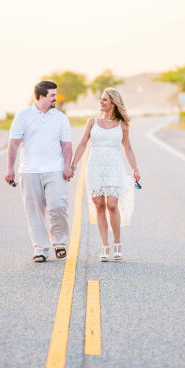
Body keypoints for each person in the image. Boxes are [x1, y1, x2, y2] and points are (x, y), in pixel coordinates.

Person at [6, 81, 74, 263]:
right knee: (34, 212)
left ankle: (59, 242)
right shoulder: (23, 116)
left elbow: (67, 145)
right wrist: (9, 168)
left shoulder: (61, 118)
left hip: (55, 170)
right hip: (29, 171)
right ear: (41, 96)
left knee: (58, 205)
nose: (55, 98)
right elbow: (13, 144)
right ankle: (40, 249)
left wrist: (67, 165)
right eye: (52, 95)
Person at [71, 88, 140, 262]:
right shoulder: (92, 122)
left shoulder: (122, 125)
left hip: (113, 167)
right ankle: (105, 245)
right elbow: (82, 144)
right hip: (95, 167)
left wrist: (135, 168)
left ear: (113, 103)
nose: (101, 102)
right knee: (99, 206)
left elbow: (128, 148)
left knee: (112, 204)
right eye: (101, 99)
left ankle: (117, 243)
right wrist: (73, 164)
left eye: (104, 100)